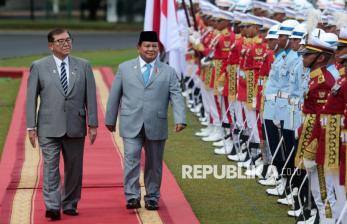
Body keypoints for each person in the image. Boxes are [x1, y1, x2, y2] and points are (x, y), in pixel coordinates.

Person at [105, 31, 186, 210]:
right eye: (147, 46)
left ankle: (152, 197)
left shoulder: (168, 71)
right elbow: (114, 95)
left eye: (154, 46)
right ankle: (132, 196)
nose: (151, 49)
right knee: (131, 159)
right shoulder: (124, 68)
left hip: (156, 124)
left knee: (154, 164)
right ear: (138, 48)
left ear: (158, 48)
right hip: (130, 123)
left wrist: (180, 118)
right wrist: (110, 119)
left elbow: (176, 96)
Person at [26, 28, 98, 220]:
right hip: (48, 126)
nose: (66, 43)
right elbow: (31, 98)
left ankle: (70, 203)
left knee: (74, 168)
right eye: (61, 41)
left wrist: (93, 124)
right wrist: (30, 126)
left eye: (68, 40)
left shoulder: (83, 65)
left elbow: (90, 96)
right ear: (51, 46)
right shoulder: (39, 66)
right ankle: (52, 206)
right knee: (50, 166)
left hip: (76, 124)